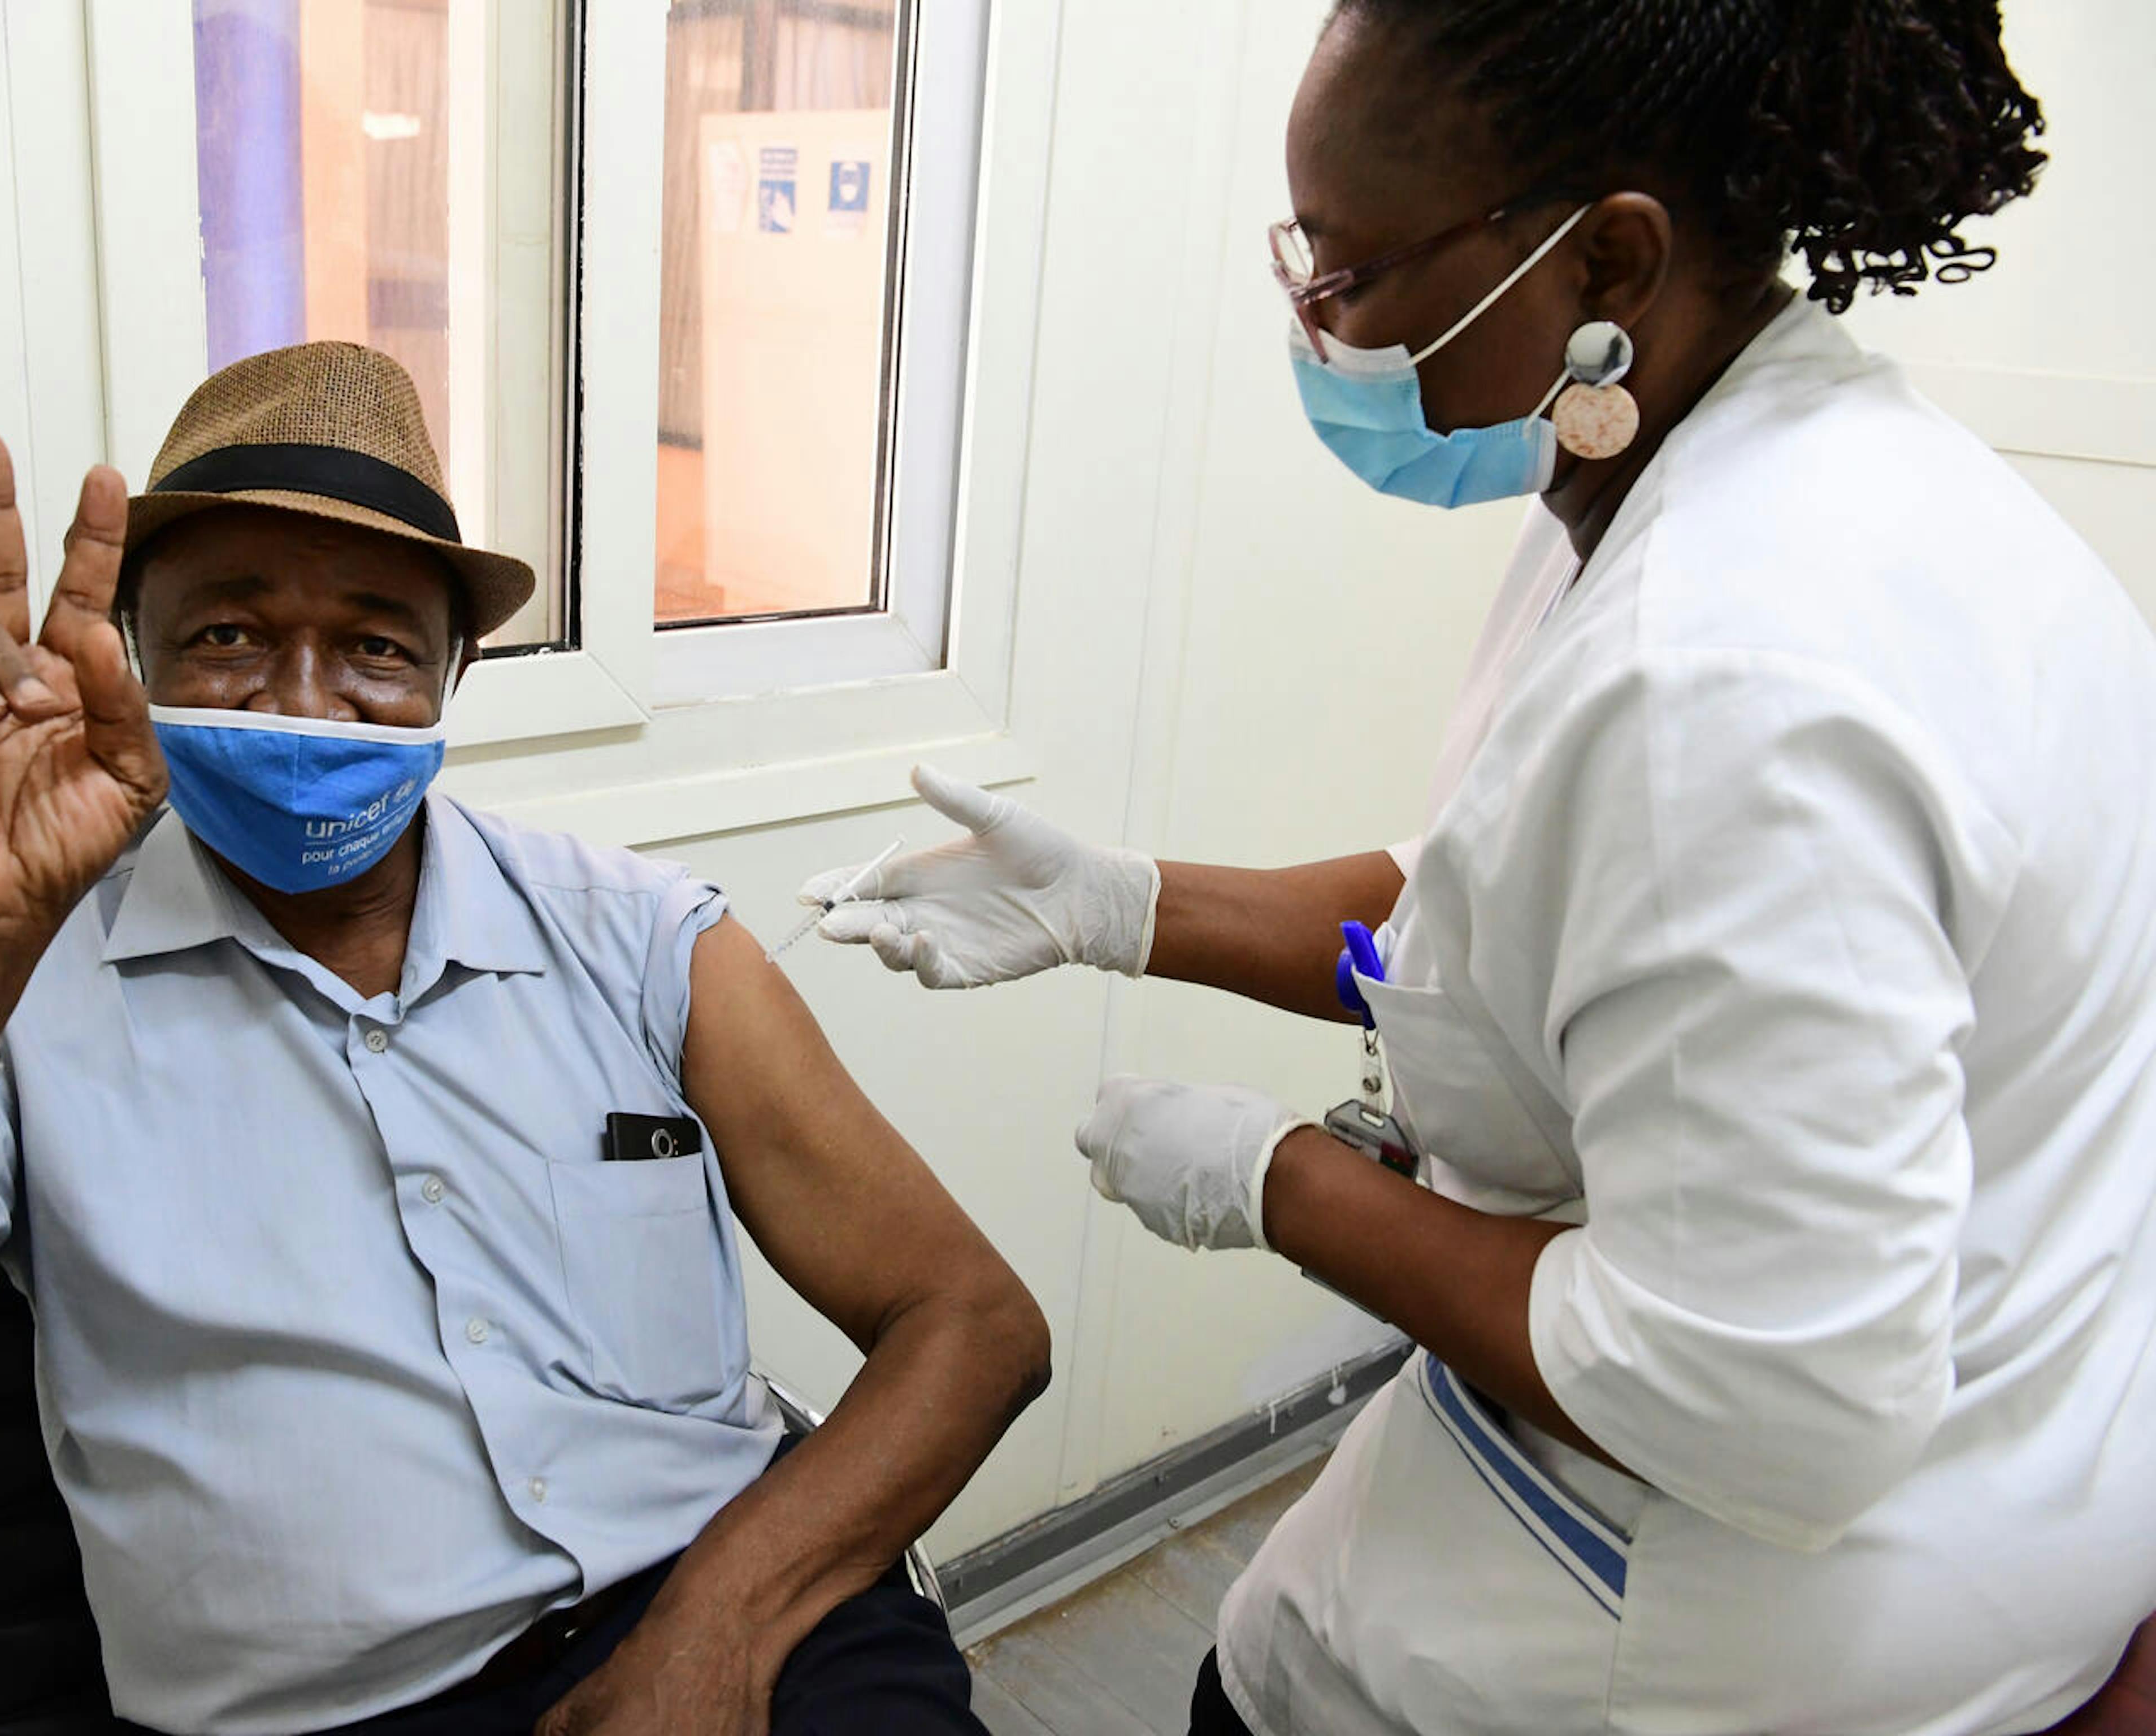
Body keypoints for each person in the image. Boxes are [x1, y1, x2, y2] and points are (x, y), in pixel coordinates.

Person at [802, 3, 2156, 1732]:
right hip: (2003, 1508)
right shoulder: (1793, 482)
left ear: (1609, 255)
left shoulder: (1735, 673)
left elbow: (1761, 1401)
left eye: (1353, 279)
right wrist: (1127, 905)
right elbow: (1510, 914)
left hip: (1711, 1631)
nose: (1316, 330)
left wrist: (1278, 1179)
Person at [0, 342, 1051, 1736]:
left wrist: (719, 1629)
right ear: (135, 652)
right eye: (230, 635)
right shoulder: (11, 1007)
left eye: (372, 646)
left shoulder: (644, 943)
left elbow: (972, 1322)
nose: (305, 703)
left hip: (744, 1622)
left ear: (453, 676)